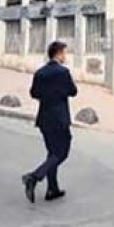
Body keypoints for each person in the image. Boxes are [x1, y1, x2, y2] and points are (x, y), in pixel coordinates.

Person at [22, 40, 78, 203]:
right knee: (61, 152)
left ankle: (52, 189)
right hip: (59, 118)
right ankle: (34, 176)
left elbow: (34, 93)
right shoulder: (63, 72)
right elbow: (73, 91)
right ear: (59, 54)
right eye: (64, 53)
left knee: (52, 153)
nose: (65, 56)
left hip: (44, 118)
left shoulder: (40, 73)